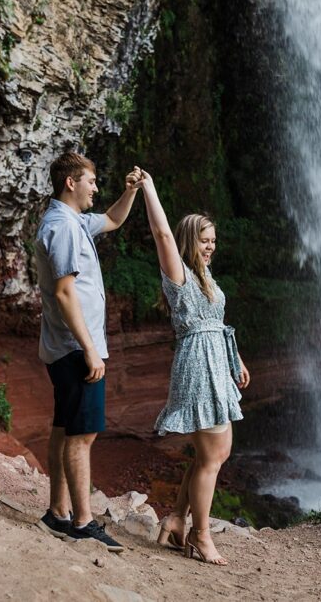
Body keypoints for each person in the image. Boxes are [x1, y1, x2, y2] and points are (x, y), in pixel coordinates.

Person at [135, 168, 251, 565]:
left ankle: (176, 520)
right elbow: (162, 234)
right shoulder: (179, 273)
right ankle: (201, 536)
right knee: (215, 454)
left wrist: (236, 359)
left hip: (216, 363)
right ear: (188, 241)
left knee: (210, 455)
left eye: (214, 240)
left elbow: (215, 322)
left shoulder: (206, 275)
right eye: (204, 240)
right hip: (199, 367)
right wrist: (149, 188)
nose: (211, 247)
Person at [34, 152, 142, 552]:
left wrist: (130, 192)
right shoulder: (61, 227)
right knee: (83, 435)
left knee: (65, 427)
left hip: (69, 347)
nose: (97, 188)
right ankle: (82, 522)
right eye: (91, 181)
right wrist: (90, 350)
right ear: (70, 183)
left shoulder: (74, 221)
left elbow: (112, 220)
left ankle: (57, 513)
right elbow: (64, 292)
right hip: (76, 349)